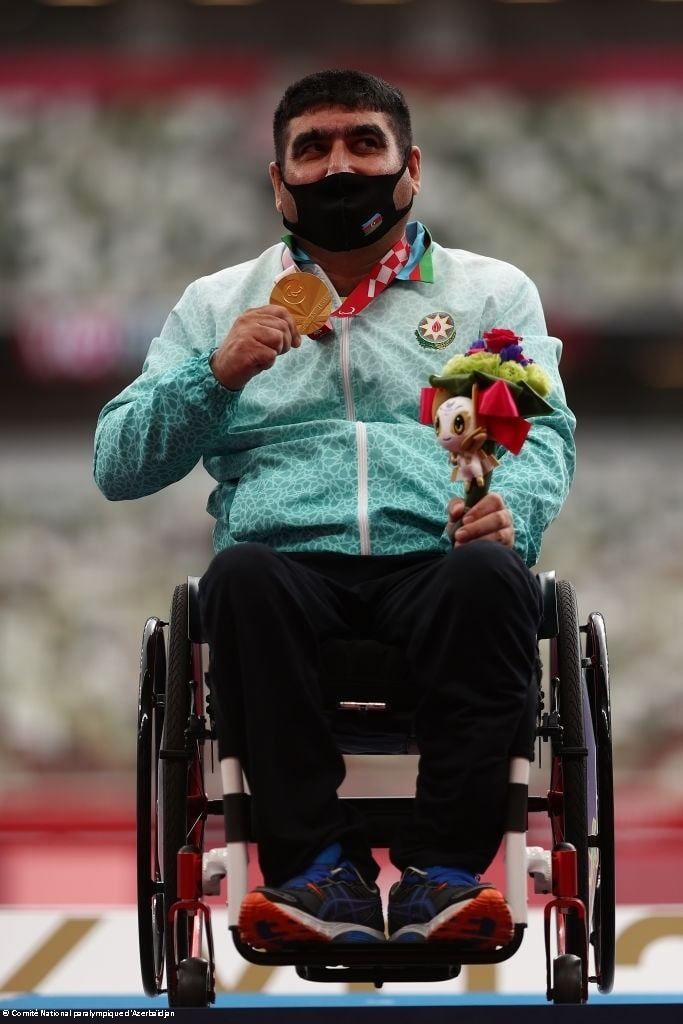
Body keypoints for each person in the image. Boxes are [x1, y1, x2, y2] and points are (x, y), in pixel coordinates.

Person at [94, 70, 575, 950]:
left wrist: (513, 506)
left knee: (492, 578)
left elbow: (540, 433)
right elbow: (118, 464)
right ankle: (316, 870)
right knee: (238, 579)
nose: (338, 166)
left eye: (362, 142)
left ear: (410, 168)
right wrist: (213, 376)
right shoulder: (216, 304)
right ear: (279, 183)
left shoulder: (488, 293)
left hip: (437, 555)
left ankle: (445, 875)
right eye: (311, 149)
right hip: (283, 570)